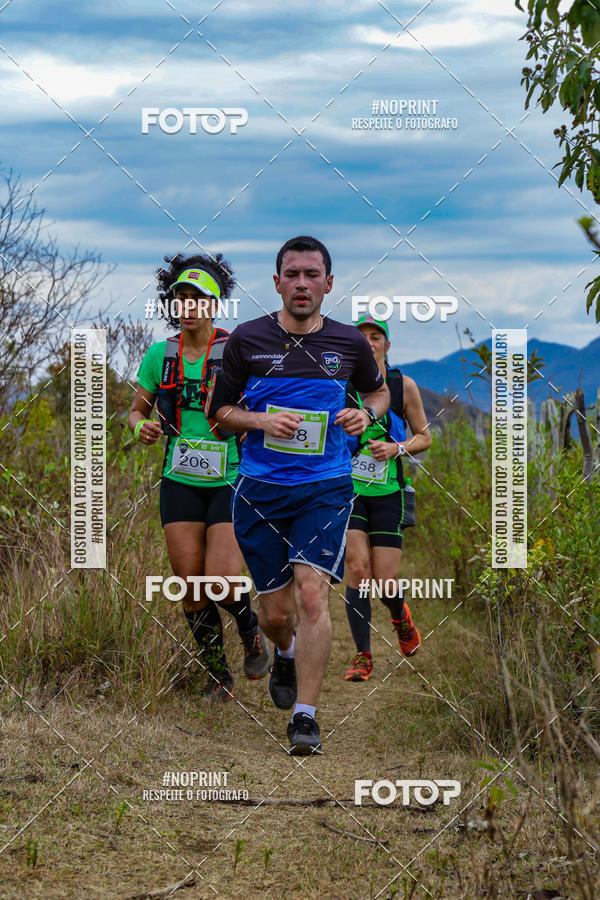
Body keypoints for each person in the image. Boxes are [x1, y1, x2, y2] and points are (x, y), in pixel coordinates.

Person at [209, 235, 390, 754]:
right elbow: (220, 415)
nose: (303, 283)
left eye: (313, 274)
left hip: (326, 487)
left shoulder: (349, 343)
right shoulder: (246, 340)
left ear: (329, 284)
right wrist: (261, 419)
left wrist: (368, 414)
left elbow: (376, 391)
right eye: (293, 274)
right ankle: (281, 651)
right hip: (260, 490)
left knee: (312, 591)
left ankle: (306, 718)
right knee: (276, 613)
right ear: (277, 283)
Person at [127, 252, 271, 702]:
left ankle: (249, 628)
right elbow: (135, 410)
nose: (188, 306)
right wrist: (141, 428)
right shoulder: (159, 355)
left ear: (215, 303)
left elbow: (261, 410)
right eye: (180, 298)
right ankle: (218, 679)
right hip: (180, 478)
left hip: (230, 477)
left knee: (223, 580)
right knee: (190, 587)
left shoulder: (237, 350)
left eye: (198, 298)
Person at [343, 315, 431, 682]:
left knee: (385, 581)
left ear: (386, 345)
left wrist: (396, 448)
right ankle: (363, 656)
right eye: (362, 337)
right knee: (358, 571)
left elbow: (424, 437)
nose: (369, 342)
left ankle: (400, 618)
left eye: (375, 336)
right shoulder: (341, 386)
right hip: (348, 494)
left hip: (388, 494)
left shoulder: (402, 385)